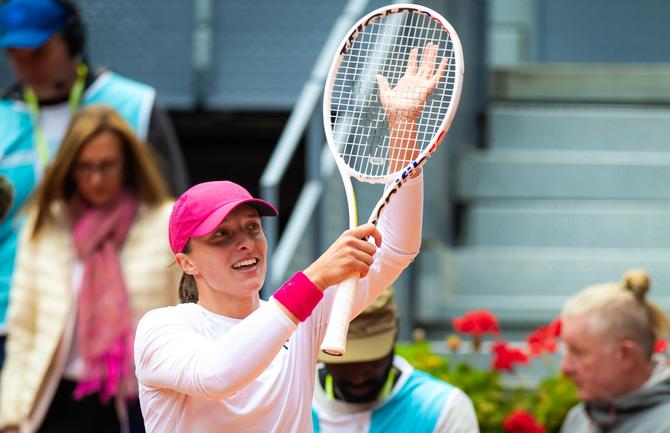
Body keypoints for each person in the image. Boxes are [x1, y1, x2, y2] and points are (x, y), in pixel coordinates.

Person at [134, 43, 446, 433]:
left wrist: (403, 131)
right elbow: (217, 376)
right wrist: (313, 279)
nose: (245, 242)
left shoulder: (299, 319)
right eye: (221, 235)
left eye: (252, 227)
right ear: (186, 261)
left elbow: (398, 247)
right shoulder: (162, 329)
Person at [0, 0, 189, 361]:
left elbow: (175, 219)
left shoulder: (134, 105)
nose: (26, 66)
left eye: (38, 52)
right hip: (14, 321)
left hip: (119, 319)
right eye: (14, 55)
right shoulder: (3, 118)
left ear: (71, 40)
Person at [0, 105, 181, 433]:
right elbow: (23, 326)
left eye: (107, 165)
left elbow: (187, 318)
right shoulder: (46, 224)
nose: (96, 179)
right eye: (85, 167)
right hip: (55, 398)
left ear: (127, 164)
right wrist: (9, 411)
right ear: (69, 168)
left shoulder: (164, 222)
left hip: (136, 400)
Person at [312, 287, 480, 433]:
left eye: (370, 361)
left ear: (396, 331)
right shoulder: (293, 399)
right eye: (343, 363)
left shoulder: (442, 409)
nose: (357, 378)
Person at [559, 269, 670, 433]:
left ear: (625, 355)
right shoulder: (578, 420)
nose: (565, 368)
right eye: (566, 351)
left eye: (578, 352)